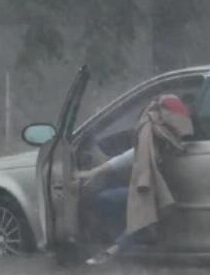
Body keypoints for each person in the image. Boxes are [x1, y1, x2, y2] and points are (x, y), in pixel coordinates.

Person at [77, 94, 193, 265]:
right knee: (124, 202)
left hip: (158, 198)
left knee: (120, 204)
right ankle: (126, 242)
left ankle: (116, 247)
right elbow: (130, 156)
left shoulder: (157, 137)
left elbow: (132, 157)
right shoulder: (164, 138)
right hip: (162, 196)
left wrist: (95, 172)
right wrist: (96, 171)